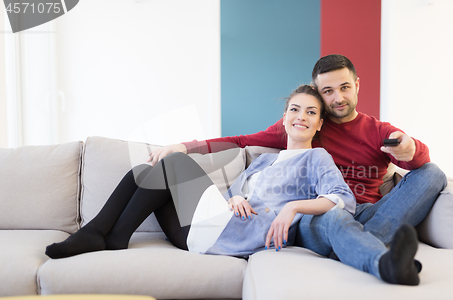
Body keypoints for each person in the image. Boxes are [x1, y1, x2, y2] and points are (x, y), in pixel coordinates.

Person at [45, 85, 422, 285]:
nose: (302, 117)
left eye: (311, 112)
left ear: (320, 124)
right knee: (149, 171)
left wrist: (292, 207)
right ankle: (107, 235)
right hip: (206, 224)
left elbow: (342, 200)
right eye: (295, 109)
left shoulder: (316, 159)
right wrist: (237, 194)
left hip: (234, 235)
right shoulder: (265, 159)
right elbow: (231, 193)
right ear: (284, 117)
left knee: (173, 162)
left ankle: (102, 233)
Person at [148, 55, 448, 285]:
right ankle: (379, 259)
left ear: (356, 85)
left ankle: (352, 243)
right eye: (327, 91)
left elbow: (412, 154)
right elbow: (239, 141)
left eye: (344, 87)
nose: (338, 98)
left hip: (368, 212)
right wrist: (185, 147)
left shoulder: (377, 129)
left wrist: (409, 150)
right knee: (334, 218)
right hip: (315, 215)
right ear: (318, 94)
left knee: (432, 173)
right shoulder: (306, 125)